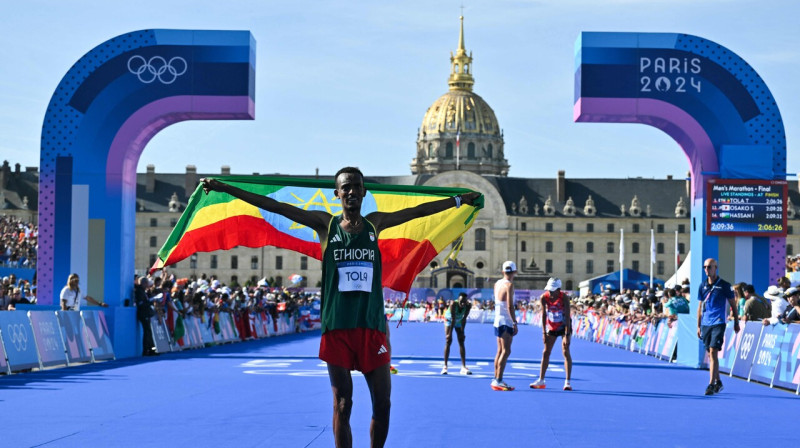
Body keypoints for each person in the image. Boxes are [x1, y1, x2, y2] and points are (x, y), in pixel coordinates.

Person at [202, 167, 479, 448]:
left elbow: (419, 211)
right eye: (345, 187)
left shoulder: (376, 223)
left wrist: (457, 201)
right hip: (338, 328)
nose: (350, 192)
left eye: (355, 187)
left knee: (383, 404)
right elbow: (275, 206)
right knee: (343, 404)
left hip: (371, 327)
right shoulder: (325, 225)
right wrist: (226, 189)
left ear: (363, 192)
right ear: (337, 194)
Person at [697, 258, 739, 396]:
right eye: (705, 267)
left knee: (713, 351)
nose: (707, 269)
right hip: (706, 323)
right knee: (710, 354)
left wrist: (737, 322)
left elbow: (733, 304)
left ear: (716, 268)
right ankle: (719, 381)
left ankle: (710, 384)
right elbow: (700, 307)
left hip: (719, 322)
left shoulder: (724, 285)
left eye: (709, 267)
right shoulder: (702, 286)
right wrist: (698, 325)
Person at [531, 277, 573, 391]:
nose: (550, 292)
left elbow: (568, 316)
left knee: (565, 350)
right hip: (552, 326)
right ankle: (541, 379)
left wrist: (567, 335)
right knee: (546, 352)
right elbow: (544, 314)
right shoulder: (544, 297)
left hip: (564, 325)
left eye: (553, 290)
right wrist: (543, 332)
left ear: (559, 289)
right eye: (549, 290)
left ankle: (567, 382)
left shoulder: (564, 297)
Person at [491, 261, 518, 391]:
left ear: (503, 272)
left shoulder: (497, 284)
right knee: (506, 351)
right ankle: (498, 380)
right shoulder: (509, 285)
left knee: (500, 351)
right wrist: (514, 322)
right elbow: (509, 305)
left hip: (497, 319)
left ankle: (496, 377)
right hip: (506, 320)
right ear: (515, 272)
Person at [441, 292, 472, 375]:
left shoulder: (468, 305)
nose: (462, 303)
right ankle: (445, 366)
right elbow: (453, 319)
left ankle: (463, 367)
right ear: (458, 300)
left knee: (461, 341)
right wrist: (449, 334)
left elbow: (464, 319)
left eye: (464, 301)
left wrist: (463, 332)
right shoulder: (453, 304)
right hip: (449, 321)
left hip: (458, 321)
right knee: (448, 341)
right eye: (461, 301)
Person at [134, 276, 157, 356]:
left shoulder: (144, 291)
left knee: (148, 332)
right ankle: (146, 350)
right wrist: (149, 301)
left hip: (146, 313)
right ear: (144, 283)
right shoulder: (139, 291)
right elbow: (141, 303)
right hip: (143, 313)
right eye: (147, 283)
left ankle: (151, 349)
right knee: (147, 332)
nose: (148, 285)